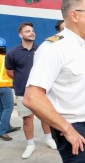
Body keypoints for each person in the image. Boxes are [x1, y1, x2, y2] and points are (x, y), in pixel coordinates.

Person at [22, 0, 85, 163]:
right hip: (76, 131)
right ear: (74, 15)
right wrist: (67, 129)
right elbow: (32, 98)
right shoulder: (53, 48)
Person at [5, 22, 57, 159]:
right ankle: (30, 144)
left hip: (41, 91)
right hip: (23, 92)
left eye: (32, 30)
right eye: (27, 31)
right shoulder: (12, 53)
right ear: (20, 35)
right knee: (27, 119)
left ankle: (48, 138)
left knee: (45, 116)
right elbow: (10, 73)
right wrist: (24, 81)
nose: (32, 33)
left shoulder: (41, 50)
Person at [0, 37, 18, 141]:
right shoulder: (7, 58)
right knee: (8, 108)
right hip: (5, 87)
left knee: (2, 108)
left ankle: (8, 126)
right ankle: (2, 131)